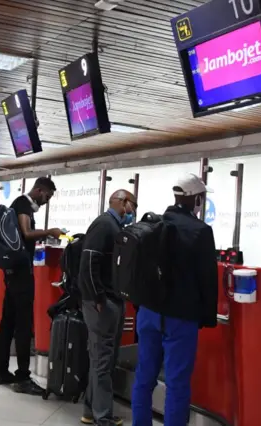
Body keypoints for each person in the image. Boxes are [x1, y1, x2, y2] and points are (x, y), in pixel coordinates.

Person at [132, 174, 218, 426]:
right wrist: (207, 317)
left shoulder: (152, 224)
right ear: (196, 198)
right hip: (180, 317)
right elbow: (207, 278)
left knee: (144, 377)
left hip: (148, 312)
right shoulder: (201, 231)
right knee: (177, 384)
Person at [0, 177, 63, 395]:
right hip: (21, 274)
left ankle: (1, 371)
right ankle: (22, 377)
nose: (47, 201)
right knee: (23, 325)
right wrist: (49, 232)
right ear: (40, 190)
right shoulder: (23, 204)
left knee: (8, 322)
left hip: (12, 273)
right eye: (47, 196)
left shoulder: (19, 205)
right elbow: (26, 233)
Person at [78, 189, 136, 426]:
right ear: (123, 203)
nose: (133, 211)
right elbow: (88, 263)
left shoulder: (114, 226)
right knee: (103, 360)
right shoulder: (104, 225)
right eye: (133, 205)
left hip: (110, 301)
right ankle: (103, 417)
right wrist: (98, 298)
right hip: (102, 303)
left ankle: (92, 411)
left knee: (103, 359)